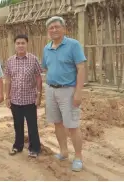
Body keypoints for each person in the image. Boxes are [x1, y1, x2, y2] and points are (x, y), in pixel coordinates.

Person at [41, 16, 87, 172]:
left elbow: (81, 68)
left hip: (68, 90)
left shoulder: (73, 45)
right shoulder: (47, 48)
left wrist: (78, 92)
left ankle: (78, 157)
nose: (54, 30)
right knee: (57, 123)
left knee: (72, 125)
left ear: (64, 29)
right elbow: (46, 68)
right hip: (51, 89)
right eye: (51, 28)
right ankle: (63, 152)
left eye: (56, 27)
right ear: (48, 31)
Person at [5, 34, 43, 158]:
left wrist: (39, 95)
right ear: (15, 45)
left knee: (32, 125)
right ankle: (18, 146)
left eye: (23, 43)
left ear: (27, 44)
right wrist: (7, 97)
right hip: (15, 99)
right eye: (18, 43)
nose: (20, 45)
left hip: (30, 99)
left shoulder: (33, 59)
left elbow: (38, 77)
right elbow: (8, 80)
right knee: (18, 124)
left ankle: (35, 148)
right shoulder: (10, 61)